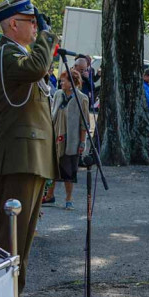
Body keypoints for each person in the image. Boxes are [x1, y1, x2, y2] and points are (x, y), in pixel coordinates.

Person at [0, 0, 57, 297]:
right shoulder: (3, 54)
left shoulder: (17, 54)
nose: (36, 28)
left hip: (32, 156)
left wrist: (41, 35)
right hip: (18, 156)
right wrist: (47, 36)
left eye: (37, 24)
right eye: (31, 22)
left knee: (24, 239)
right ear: (13, 24)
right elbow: (38, 67)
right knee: (10, 237)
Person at [46, 70, 89, 210]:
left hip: (71, 140)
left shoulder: (81, 98)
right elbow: (52, 113)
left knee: (68, 171)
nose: (61, 82)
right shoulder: (58, 94)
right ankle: (49, 195)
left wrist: (82, 142)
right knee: (52, 168)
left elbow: (84, 123)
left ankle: (68, 198)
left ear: (73, 82)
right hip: (56, 136)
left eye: (64, 80)